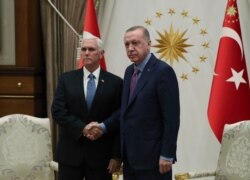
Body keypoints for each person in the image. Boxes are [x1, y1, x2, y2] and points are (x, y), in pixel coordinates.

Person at [51, 33, 123, 180]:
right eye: (83, 49)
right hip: (70, 154)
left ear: (101, 54)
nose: (86, 53)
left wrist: (116, 155)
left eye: (91, 49)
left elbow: (119, 118)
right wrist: (83, 128)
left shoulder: (115, 83)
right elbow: (58, 111)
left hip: (101, 157)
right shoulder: (66, 79)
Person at [120, 25, 180, 180]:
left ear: (148, 44)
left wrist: (167, 154)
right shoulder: (128, 72)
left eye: (135, 43)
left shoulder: (163, 71)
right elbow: (126, 113)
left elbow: (171, 118)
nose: (130, 48)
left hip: (155, 161)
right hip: (130, 160)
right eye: (127, 44)